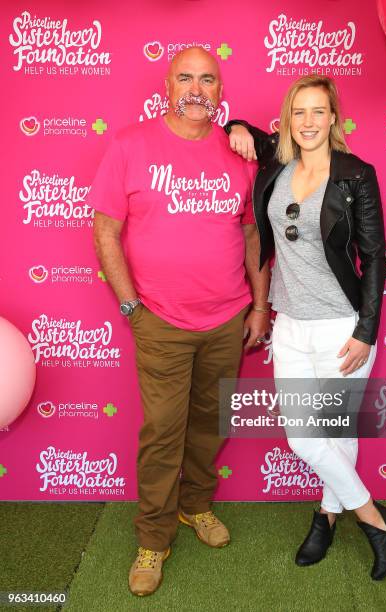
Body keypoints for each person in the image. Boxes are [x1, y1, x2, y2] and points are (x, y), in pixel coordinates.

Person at [90, 47, 270, 597]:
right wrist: (130, 308)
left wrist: (259, 306)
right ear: (167, 86)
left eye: (208, 79)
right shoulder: (128, 144)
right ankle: (153, 536)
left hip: (226, 320)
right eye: (186, 78)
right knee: (163, 431)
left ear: (221, 89)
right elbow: (104, 230)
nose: (197, 88)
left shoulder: (240, 153)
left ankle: (196, 506)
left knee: (212, 422)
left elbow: (251, 235)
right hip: (160, 322)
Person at [226, 75, 386, 580]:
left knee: (336, 432)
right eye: (298, 113)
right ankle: (374, 517)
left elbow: (374, 258)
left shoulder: (355, 175)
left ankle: (327, 518)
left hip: (340, 328)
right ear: (288, 119)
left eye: (318, 112)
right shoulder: (277, 164)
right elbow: (241, 131)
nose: (308, 122)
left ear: (333, 118)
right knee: (304, 436)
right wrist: (235, 122)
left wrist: (366, 331)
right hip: (289, 327)